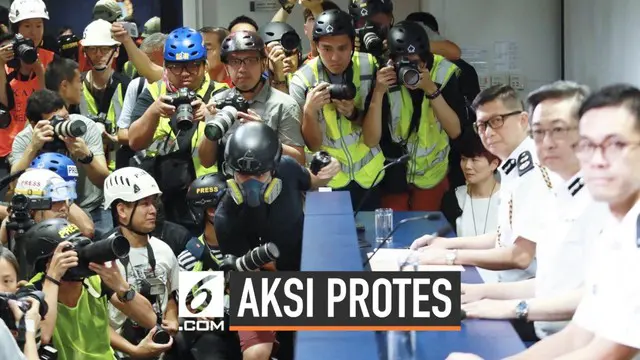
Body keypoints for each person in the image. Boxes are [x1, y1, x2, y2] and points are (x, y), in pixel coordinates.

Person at [450, 84, 640, 360]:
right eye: (588, 145)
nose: (597, 160)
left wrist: (514, 308)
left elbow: (610, 351)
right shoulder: (611, 219)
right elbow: (580, 332)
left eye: (615, 145)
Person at [214, 122, 340, 360]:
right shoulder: (225, 218)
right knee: (256, 354)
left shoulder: (289, 169)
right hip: (262, 283)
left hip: (304, 266)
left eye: (259, 174)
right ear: (230, 171)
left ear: (274, 168)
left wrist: (328, 171)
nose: (251, 183)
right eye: (242, 174)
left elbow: (311, 182)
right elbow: (246, 279)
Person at [411, 85, 555, 283]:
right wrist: (446, 244)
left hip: (526, 291)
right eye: (481, 125)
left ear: (523, 120)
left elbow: (521, 256)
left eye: (497, 121)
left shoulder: (531, 171)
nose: (488, 132)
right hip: (504, 280)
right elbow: (502, 237)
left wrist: (450, 256)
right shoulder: (513, 166)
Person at [127, 27, 227, 234]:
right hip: (160, 202)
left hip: (207, 199)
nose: (184, 74)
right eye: (176, 67)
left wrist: (210, 118)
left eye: (192, 66)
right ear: (165, 66)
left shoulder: (220, 94)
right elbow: (134, 141)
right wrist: (153, 111)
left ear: (204, 64)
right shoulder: (154, 92)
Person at [24, 218, 165, 360]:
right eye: (69, 251)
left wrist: (122, 287)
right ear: (47, 261)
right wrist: (53, 277)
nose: (78, 256)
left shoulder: (93, 281)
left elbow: (149, 320)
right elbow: (44, 335)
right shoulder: (33, 292)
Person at [289, 9, 384, 211]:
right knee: (333, 239)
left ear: (353, 43)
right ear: (315, 46)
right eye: (326, 49)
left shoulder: (369, 65)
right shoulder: (302, 80)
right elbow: (312, 145)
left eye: (343, 48)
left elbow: (377, 126)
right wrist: (309, 111)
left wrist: (353, 113)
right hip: (329, 179)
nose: (335, 57)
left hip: (370, 176)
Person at [368, 20, 464, 211]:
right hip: (394, 174)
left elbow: (455, 131)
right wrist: (378, 91)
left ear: (427, 58)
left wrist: (431, 90)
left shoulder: (443, 72)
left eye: (417, 63)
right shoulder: (384, 76)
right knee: (394, 234)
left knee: (428, 234)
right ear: (392, 60)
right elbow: (371, 139)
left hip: (432, 176)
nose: (410, 69)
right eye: (403, 62)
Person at [9, 89, 112, 237]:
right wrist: (33, 148)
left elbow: (104, 181)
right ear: (34, 125)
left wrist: (86, 156)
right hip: (48, 210)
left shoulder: (84, 128)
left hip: (91, 206)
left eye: (65, 118)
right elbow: (15, 185)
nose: (63, 126)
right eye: (55, 122)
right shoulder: (25, 140)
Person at [198, 30, 305, 169]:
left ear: (263, 63)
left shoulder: (284, 104)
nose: (242, 68)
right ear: (226, 67)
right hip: (231, 184)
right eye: (235, 61)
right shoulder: (218, 101)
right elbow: (206, 162)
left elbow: (299, 160)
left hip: (272, 184)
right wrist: (211, 129)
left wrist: (265, 134)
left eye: (250, 60)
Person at [103, 167, 180, 359]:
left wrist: (172, 319)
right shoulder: (103, 257)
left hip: (159, 347)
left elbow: (170, 297)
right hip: (117, 351)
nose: (153, 210)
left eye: (153, 203)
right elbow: (94, 321)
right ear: (121, 210)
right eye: (144, 204)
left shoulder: (164, 250)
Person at [174, 174, 242, 360]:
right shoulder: (190, 256)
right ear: (209, 211)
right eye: (215, 207)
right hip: (215, 334)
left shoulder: (249, 248)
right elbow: (192, 309)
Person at [0, 169, 92, 276]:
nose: (64, 208)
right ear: (30, 208)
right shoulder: (10, 237)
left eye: (65, 201)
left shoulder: (70, 240)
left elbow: (88, 229)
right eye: (55, 202)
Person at [0, 0, 55, 180]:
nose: (34, 32)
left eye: (39, 25)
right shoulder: (4, 59)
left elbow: (49, 106)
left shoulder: (53, 60)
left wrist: (39, 71)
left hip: (43, 146)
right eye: (27, 26)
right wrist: (1, 65)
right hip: (6, 148)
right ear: (16, 29)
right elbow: (3, 104)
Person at [79, 19, 129, 171]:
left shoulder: (128, 85)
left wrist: (114, 139)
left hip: (121, 167)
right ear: (85, 52)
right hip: (86, 169)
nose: (98, 54)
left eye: (105, 49)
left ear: (116, 51)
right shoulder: (75, 85)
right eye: (92, 49)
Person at [260, 22, 302, 93]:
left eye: (290, 53)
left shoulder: (308, 76)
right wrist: (279, 76)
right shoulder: (257, 87)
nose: (286, 59)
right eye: (278, 54)